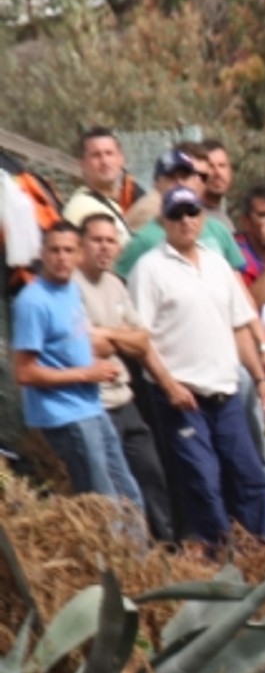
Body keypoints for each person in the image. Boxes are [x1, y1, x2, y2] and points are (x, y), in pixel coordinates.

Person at [127, 187, 265, 547]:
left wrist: (260, 378)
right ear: (164, 220)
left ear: (202, 217)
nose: (185, 221)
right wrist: (169, 386)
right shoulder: (149, 269)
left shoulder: (217, 263)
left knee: (250, 477)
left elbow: (240, 325)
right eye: (177, 214)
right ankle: (216, 560)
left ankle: (262, 554)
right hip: (182, 397)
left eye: (192, 212)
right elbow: (139, 339)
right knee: (203, 483)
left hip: (225, 393)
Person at [10, 221, 143, 516]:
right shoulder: (32, 301)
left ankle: (139, 561)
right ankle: (110, 561)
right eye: (54, 250)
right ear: (42, 253)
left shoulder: (71, 290)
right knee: (103, 505)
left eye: (69, 250)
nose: (61, 257)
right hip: (66, 416)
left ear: (79, 254)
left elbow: (67, 345)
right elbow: (25, 372)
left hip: (91, 406)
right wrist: (86, 374)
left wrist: (93, 364)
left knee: (129, 495)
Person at [76, 212, 189, 542]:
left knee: (151, 473)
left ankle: (165, 547)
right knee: (114, 489)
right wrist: (118, 337)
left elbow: (141, 339)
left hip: (125, 399)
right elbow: (90, 345)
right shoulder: (71, 286)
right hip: (96, 402)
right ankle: (128, 556)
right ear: (82, 243)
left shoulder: (115, 284)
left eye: (110, 240)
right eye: (96, 240)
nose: (104, 247)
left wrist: (108, 336)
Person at [117, 145, 246, 277]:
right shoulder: (144, 236)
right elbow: (119, 284)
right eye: (171, 177)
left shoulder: (218, 229)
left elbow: (238, 287)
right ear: (156, 184)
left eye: (185, 177)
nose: (179, 183)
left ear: (196, 181)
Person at [62, 127, 142, 239]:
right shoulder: (82, 209)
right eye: (96, 155)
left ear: (121, 159)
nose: (104, 161)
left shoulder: (110, 203)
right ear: (83, 164)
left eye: (109, 153)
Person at [200, 140, 235, 229]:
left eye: (222, 165)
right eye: (210, 166)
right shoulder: (191, 218)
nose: (218, 173)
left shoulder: (225, 220)